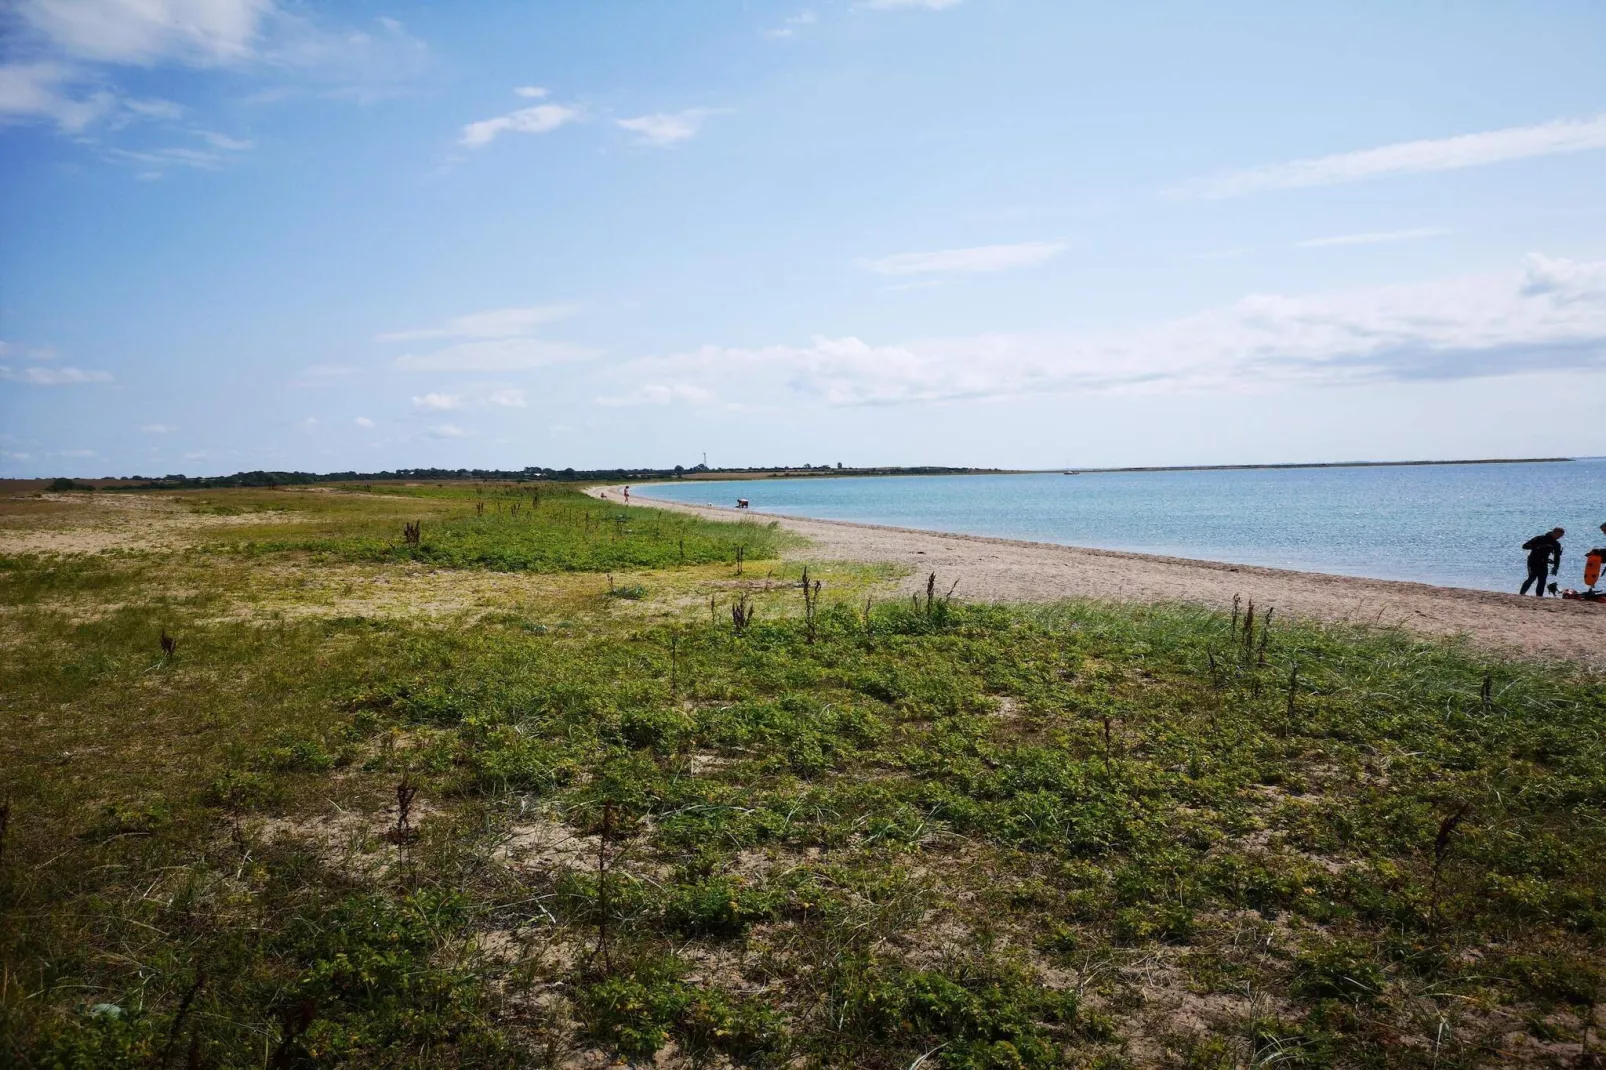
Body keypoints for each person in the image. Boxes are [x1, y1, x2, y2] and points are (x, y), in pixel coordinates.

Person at [1520, 527, 1564, 597]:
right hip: (1533, 561)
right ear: (1554, 532)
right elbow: (1525, 546)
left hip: (1544, 563)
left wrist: (1556, 567)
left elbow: (1557, 557)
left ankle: (1539, 596)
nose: (1559, 537)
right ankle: (1522, 594)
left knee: (1542, 580)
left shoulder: (1556, 544)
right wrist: (1539, 546)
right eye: (1559, 535)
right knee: (1532, 577)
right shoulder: (1539, 538)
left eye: (1561, 536)